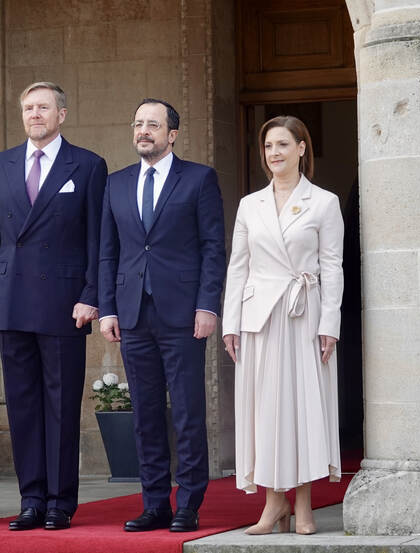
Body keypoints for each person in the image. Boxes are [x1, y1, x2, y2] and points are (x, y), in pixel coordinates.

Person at [0, 82, 108, 531]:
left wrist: (92, 294)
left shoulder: (88, 165)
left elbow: (97, 239)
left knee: (61, 405)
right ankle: (30, 498)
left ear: (62, 115)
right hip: (11, 299)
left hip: (64, 302)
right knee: (22, 405)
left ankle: (60, 501)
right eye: (29, 108)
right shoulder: (1, 164)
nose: (35, 114)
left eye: (44, 107)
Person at [98, 98, 226, 532]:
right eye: (137, 124)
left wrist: (208, 304)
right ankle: (155, 503)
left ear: (172, 134)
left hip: (183, 314)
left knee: (188, 411)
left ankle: (189, 502)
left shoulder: (199, 179)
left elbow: (213, 248)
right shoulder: (116, 184)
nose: (143, 131)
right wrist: (107, 309)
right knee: (146, 413)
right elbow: (107, 253)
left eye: (152, 124)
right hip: (133, 314)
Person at [222, 115, 344, 535]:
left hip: (304, 315)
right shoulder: (249, 205)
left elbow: (333, 266)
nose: (274, 153)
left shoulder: (324, 202)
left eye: (282, 145)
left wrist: (331, 324)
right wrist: (230, 325)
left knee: (306, 407)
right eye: (268, 146)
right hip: (259, 318)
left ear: (301, 148)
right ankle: (273, 505)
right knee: (265, 408)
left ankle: (305, 504)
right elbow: (238, 267)